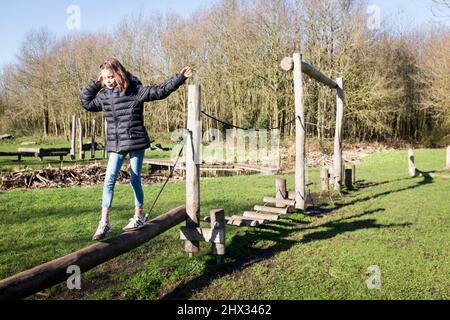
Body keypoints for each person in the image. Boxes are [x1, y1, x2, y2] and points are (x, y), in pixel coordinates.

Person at [80, 58, 192, 240]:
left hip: (135, 141)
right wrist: (96, 84)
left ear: (118, 73)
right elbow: (86, 103)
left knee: (134, 179)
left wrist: (179, 78)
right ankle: (104, 222)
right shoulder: (104, 95)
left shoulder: (134, 89)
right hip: (116, 144)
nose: (108, 81)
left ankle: (139, 216)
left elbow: (160, 91)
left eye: (111, 77)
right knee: (109, 179)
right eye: (104, 78)